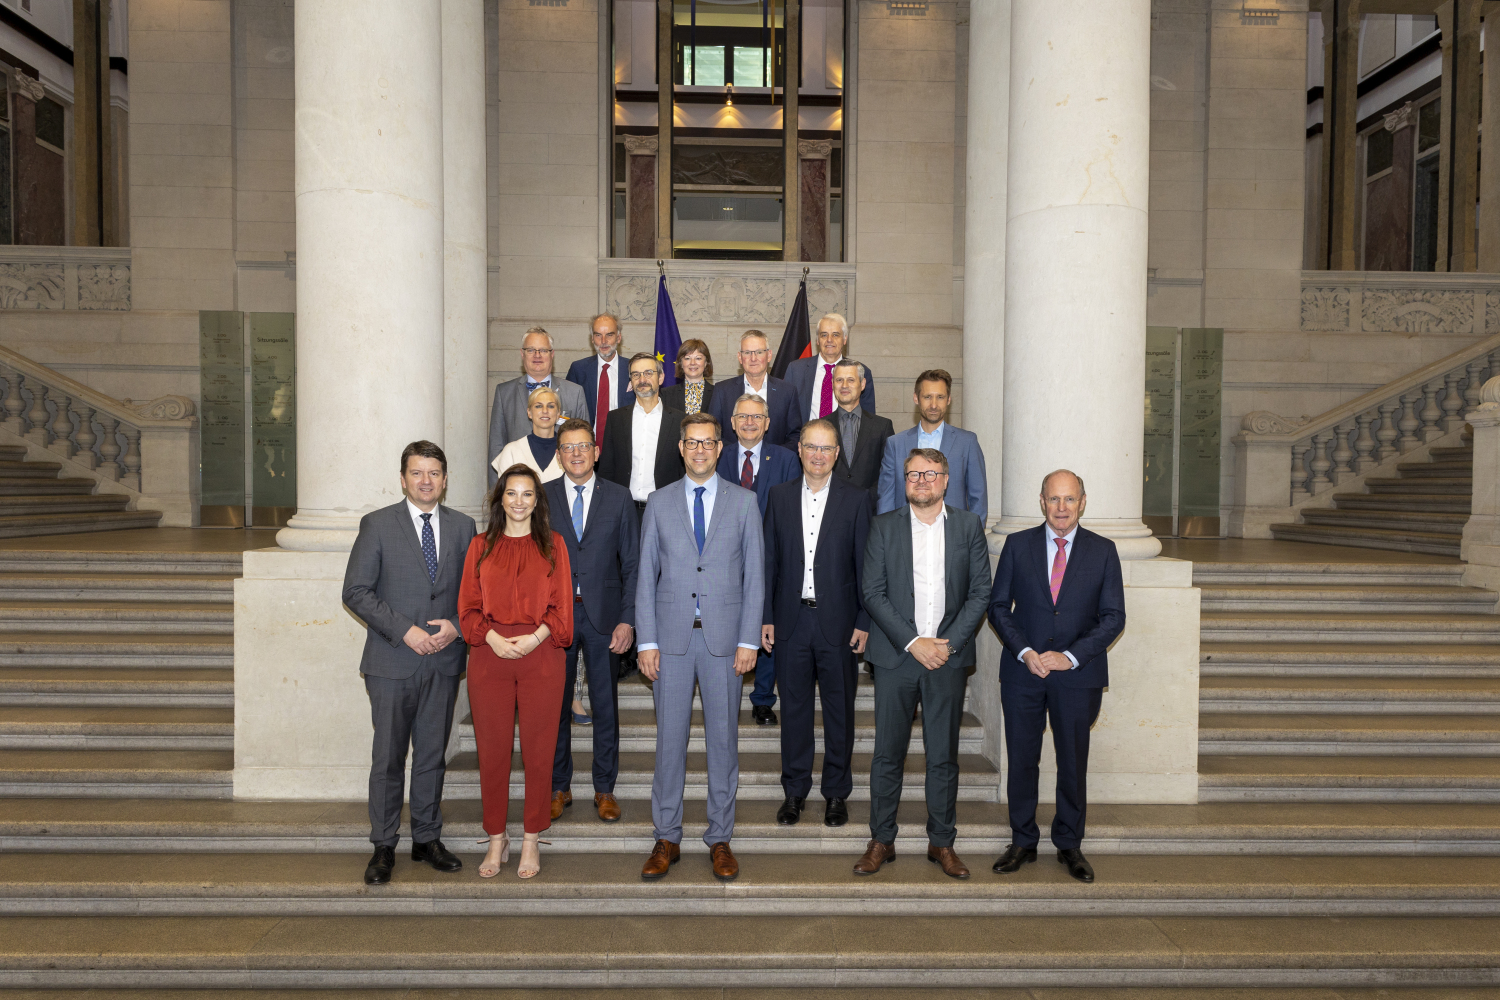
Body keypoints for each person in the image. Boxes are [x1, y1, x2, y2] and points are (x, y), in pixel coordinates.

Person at [342, 440, 477, 886]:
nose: (426, 481)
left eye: (434, 473)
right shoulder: (378, 524)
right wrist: (407, 630)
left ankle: (426, 838)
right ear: (403, 478)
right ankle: (383, 845)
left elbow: (475, 594)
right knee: (388, 757)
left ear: (444, 478)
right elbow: (357, 591)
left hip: (443, 661)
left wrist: (457, 626)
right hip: (392, 660)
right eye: (417, 473)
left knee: (432, 757)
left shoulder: (463, 527)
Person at [636, 412, 763, 883]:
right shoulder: (658, 501)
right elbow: (646, 576)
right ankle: (666, 836)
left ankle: (720, 837)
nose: (700, 450)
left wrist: (749, 639)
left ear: (720, 447)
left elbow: (756, 578)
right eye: (692, 443)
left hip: (725, 642)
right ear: (681, 447)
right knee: (670, 741)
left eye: (709, 443)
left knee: (722, 743)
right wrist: (645, 640)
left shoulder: (745, 502)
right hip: (668, 641)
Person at [855, 448, 991, 880]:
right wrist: (914, 642)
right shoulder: (883, 527)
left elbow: (980, 592)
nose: (922, 481)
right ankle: (882, 839)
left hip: (946, 660)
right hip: (897, 658)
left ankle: (942, 841)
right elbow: (872, 592)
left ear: (946, 480)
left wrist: (945, 646)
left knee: (943, 756)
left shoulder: (968, 527)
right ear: (904, 480)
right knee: (887, 754)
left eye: (931, 474)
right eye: (914, 474)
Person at [988, 469, 1125, 885]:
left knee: (1072, 762)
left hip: (1075, 677)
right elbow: (997, 607)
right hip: (1023, 673)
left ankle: (1069, 843)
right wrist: (1026, 651)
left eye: (1069, 500)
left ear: (1082, 502)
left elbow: (1113, 616)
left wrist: (1070, 656)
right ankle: (1022, 840)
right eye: (1053, 499)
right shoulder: (1018, 544)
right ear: (1041, 501)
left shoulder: (1103, 550)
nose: (1061, 508)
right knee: (1023, 760)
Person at [458, 464, 574, 880]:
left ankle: (530, 838)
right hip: (489, 655)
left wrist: (536, 637)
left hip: (541, 654)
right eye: (512, 493)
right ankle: (495, 838)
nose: (519, 501)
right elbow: (468, 607)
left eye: (528, 494)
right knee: (492, 752)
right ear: (500, 498)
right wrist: (490, 638)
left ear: (537, 501)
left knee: (540, 751)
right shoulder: (479, 546)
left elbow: (562, 607)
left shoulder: (554, 546)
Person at [762, 419, 871, 828]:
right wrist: (766, 617)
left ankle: (837, 793)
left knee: (840, 711)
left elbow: (865, 566)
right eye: (811, 447)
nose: (819, 455)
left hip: (839, 624)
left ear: (837, 453)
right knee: (793, 711)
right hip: (790, 622)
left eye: (827, 448)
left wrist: (863, 618)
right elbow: (769, 561)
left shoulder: (857, 500)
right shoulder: (779, 496)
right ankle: (794, 791)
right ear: (801, 451)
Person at [546, 418, 640, 824]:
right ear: (559, 455)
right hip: (556, 620)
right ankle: (558, 786)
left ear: (596, 452)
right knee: (553, 707)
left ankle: (604, 788)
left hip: (605, 618)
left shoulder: (619, 498)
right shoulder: (543, 497)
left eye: (583, 446)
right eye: (568, 448)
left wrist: (628, 620)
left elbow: (633, 564)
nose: (577, 454)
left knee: (605, 706)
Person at [715, 393, 799, 726]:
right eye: (743, 417)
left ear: (767, 423)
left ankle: (763, 698)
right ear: (732, 423)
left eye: (757, 417)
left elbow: (790, 510)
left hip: (771, 556)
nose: (750, 423)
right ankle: (723, 694)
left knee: (766, 627)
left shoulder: (786, 459)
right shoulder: (717, 456)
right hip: (723, 556)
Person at [877, 369, 988, 518]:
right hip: (906, 535)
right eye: (927, 397)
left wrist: (973, 538)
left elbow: (978, 499)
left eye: (940, 397)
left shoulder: (967, 443)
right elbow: (886, 499)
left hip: (952, 536)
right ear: (916, 398)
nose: (934, 405)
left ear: (949, 399)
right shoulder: (895, 444)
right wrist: (887, 537)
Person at [488, 327, 587, 488]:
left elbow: (584, 446)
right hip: (517, 490)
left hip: (563, 488)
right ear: (522, 354)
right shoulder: (504, 392)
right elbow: (496, 447)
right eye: (531, 350)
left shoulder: (574, 392)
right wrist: (497, 496)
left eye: (543, 350)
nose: (537, 355)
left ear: (552, 354)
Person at [598, 352, 686, 513]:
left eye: (648, 373)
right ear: (630, 380)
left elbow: (683, 471)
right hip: (624, 510)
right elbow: (606, 470)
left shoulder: (680, 420)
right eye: (636, 375)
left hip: (666, 509)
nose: (642, 380)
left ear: (660, 378)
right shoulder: (616, 419)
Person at [707, 330, 803, 448]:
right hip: (732, 463)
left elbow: (795, 435)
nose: (753, 358)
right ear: (740, 357)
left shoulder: (788, 392)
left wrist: (776, 458)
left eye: (759, 352)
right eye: (747, 352)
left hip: (775, 464)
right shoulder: (722, 391)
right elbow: (712, 433)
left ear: (769, 355)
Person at [784, 313, 876, 419]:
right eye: (824, 335)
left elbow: (868, 419)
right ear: (817, 340)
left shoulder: (861, 371)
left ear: (845, 339)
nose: (829, 339)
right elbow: (786, 413)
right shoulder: (796, 370)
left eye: (835, 335)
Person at [829, 358, 894, 506]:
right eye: (839, 380)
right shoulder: (820, 426)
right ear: (833, 384)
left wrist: (866, 498)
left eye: (851, 380)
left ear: (862, 384)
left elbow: (888, 474)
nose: (844, 386)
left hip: (870, 509)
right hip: (829, 508)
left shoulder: (882, 426)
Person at [567, 312, 634, 447]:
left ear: (619, 337)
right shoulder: (578, 369)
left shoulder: (633, 369)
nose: (603, 341)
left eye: (609, 335)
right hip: (586, 447)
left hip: (624, 447)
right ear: (592, 339)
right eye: (598, 335)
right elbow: (567, 411)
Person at [491, 385, 566, 483]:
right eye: (538, 406)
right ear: (529, 413)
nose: (545, 411)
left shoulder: (569, 450)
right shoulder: (511, 451)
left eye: (550, 406)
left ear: (557, 414)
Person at [660, 338, 715, 414]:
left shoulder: (717, 393)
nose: (692, 363)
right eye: (687, 358)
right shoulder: (666, 394)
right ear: (681, 363)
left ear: (706, 363)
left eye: (698, 358)